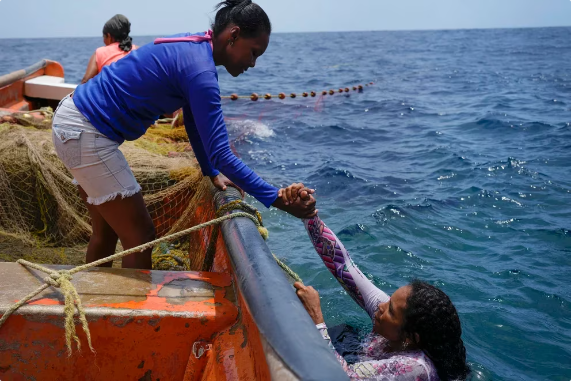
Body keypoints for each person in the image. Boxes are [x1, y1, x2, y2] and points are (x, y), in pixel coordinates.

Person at [51, 0, 317, 270]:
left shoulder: (195, 47)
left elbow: (192, 120)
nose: (253, 63)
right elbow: (222, 153)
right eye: (253, 52)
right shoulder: (201, 72)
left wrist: (210, 171)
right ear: (234, 35)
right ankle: (129, 311)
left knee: (106, 233)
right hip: (86, 131)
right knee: (141, 237)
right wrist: (276, 198)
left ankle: (91, 301)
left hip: (73, 120)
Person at [284, 186, 470, 380]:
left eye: (391, 310)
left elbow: (339, 379)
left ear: (409, 338)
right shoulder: (393, 325)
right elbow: (342, 265)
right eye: (389, 301)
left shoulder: (415, 367)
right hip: (354, 358)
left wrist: (316, 319)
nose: (380, 306)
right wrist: (308, 216)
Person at [81, 14, 138, 84]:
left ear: (109, 36)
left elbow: (85, 81)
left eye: (104, 37)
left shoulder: (99, 53)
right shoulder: (137, 50)